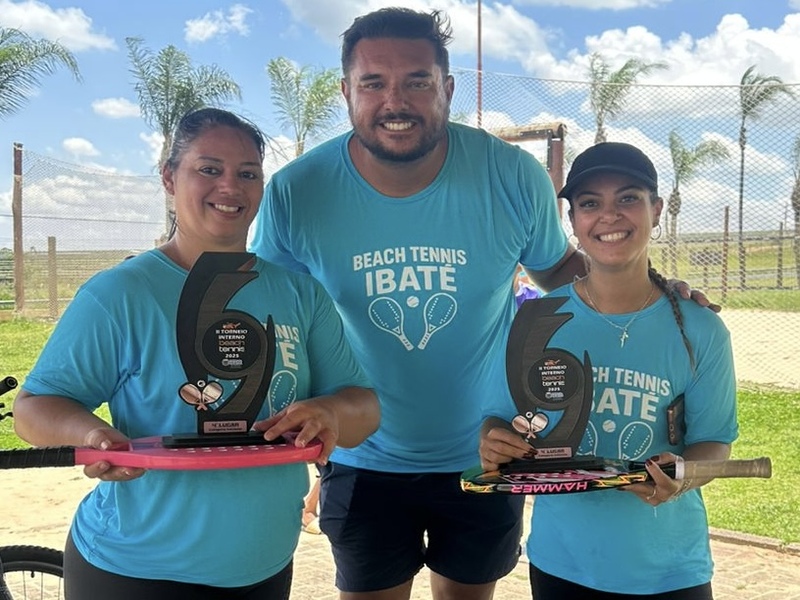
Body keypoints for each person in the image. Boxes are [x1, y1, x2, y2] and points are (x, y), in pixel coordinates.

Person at [250, 8, 711, 600]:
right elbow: (276, 309)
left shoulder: (510, 175)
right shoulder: (298, 190)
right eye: (374, 83)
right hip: (364, 454)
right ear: (346, 92)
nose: (396, 101)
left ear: (447, 88)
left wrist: (654, 294)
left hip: (489, 449)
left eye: (417, 81)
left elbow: (562, 274)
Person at [12, 107, 380, 600]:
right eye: (209, 169)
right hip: (136, 572)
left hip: (264, 566)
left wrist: (330, 411)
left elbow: (363, 408)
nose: (230, 186)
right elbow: (34, 407)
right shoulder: (120, 294)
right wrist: (91, 434)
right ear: (169, 178)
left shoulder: (300, 294)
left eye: (247, 173)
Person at [479, 142, 738, 599]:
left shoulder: (700, 329)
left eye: (628, 198)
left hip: (669, 570)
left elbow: (714, 442)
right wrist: (495, 441)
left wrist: (683, 475)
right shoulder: (536, 320)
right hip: (562, 563)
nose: (609, 215)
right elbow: (499, 419)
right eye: (590, 203)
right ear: (573, 221)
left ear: (656, 210)